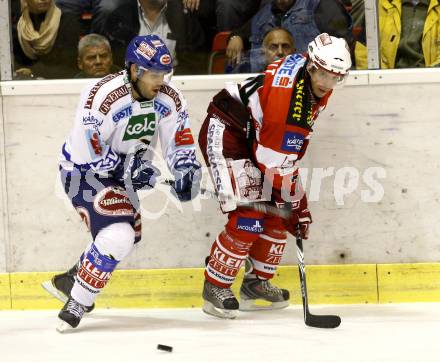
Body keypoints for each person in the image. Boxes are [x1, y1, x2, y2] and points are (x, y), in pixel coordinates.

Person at [42, 34, 201, 331]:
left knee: (126, 238)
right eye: (153, 74)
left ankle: (72, 279)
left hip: (123, 173)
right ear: (134, 70)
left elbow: (179, 142)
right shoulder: (100, 95)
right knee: (119, 235)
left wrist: (186, 170)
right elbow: (85, 152)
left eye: (164, 74)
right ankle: (77, 301)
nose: (160, 81)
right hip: (82, 172)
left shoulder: (169, 98)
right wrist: (129, 167)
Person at [198, 33, 351, 319]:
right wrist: (299, 205)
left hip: (256, 135)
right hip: (228, 130)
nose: (326, 84)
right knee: (249, 215)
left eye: (335, 78)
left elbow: (278, 158)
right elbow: (274, 162)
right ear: (311, 65)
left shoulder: (311, 72)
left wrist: (291, 204)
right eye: (323, 75)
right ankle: (215, 286)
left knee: (278, 211)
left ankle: (255, 284)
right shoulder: (289, 107)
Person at [226, 0, 353, 72]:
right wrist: (236, 37)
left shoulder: (322, 5)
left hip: (308, 84)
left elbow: (344, 45)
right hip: (264, 87)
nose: (280, 1)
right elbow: (242, 31)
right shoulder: (266, 11)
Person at [354, 0, 440, 69]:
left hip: (430, 80)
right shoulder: (380, 5)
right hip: (388, 80)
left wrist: (429, 78)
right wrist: (385, 78)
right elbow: (363, 50)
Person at [12, 0, 80, 79]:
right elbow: (16, 65)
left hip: (60, 83)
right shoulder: (19, 26)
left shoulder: (68, 21)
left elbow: (67, 66)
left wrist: (33, 72)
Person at [228, 27, 295, 73]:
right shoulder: (252, 80)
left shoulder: (304, 78)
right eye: (273, 47)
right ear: (263, 52)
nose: (280, 52)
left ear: (294, 51)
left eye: (285, 46)